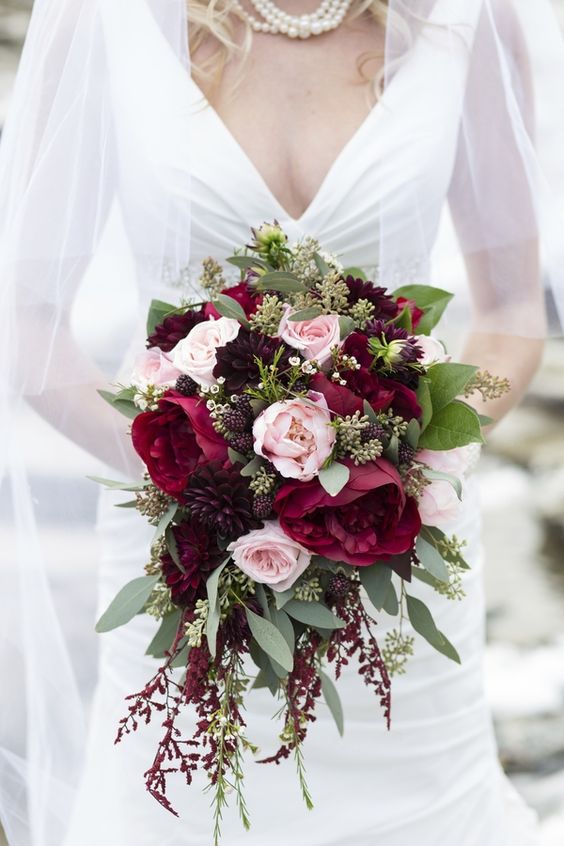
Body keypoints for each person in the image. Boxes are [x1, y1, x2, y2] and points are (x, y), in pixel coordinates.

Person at [1, 1, 563, 844]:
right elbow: (31, 336)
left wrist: (411, 454)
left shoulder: (462, 19)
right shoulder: (106, 20)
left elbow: (514, 314)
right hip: (186, 552)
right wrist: (202, 483)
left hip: (396, 542)